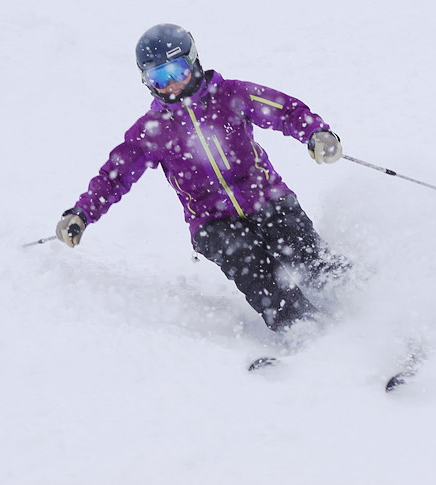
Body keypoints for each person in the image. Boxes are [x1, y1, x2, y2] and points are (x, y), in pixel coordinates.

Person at [56, 24, 350, 332]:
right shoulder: (151, 130)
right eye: (157, 77)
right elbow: (114, 177)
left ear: (193, 60)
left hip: (267, 198)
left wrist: (316, 134)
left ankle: (359, 297)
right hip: (212, 221)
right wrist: (82, 213)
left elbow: (285, 111)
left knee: (303, 250)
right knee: (249, 260)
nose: (169, 84)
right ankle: (303, 328)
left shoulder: (232, 95)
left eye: (175, 70)